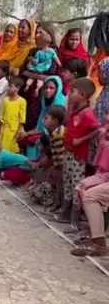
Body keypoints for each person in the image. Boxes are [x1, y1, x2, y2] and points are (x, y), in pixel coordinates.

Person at [58, 77, 100, 226]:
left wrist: (82, 139)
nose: (69, 94)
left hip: (78, 156)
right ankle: (64, 215)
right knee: (67, 183)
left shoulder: (87, 113)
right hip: (69, 152)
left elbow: (98, 130)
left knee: (76, 187)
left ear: (82, 94)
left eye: (72, 91)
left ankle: (74, 222)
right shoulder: (74, 109)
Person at [71, 118, 109, 257]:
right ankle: (96, 237)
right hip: (106, 176)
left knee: (91, 196)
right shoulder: (104, 135)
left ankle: (99, 243)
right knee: (84, 188)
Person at [26, 105, 66, 210]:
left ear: (55, 121)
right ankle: (58, 203)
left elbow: (60, 154)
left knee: (60, 185)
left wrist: (57, 167)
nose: (43, 120)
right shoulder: (52, 133)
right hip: (57, 166)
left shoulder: (58, 134)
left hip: (61, 166)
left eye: (46, 118)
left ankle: (59, 204)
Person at [20, 21, 58, 129]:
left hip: (45, 92)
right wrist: (40, 76)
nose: (37, 35)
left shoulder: (54, 51)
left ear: (49, 35)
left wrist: (34, 75)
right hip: (29, 91)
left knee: (39, 122)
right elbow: (23, 70)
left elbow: (54, 75)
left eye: (41, 33)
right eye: (36, 32)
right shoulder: (33, 50)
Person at [19, 75, 66, 161]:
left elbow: (56, 129)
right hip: (46, 133)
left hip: (57, 137)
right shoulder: (45, 101)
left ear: (57, 89)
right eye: (46, 88)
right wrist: (27, 133)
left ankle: (36, 163)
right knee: (29, 139)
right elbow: (41, 125)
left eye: (52, 88)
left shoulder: (61, 104)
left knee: (35, 142)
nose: (48, 90)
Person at [0, 75, 26, 153]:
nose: (8, 88)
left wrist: (17, 133)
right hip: (3, 130)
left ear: (17, 88)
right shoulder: (5, 100)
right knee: (0, 149)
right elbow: (1, 116)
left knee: (11, 150)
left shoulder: (22, 101)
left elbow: (21, 120)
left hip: (13, 131)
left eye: (10, 86)